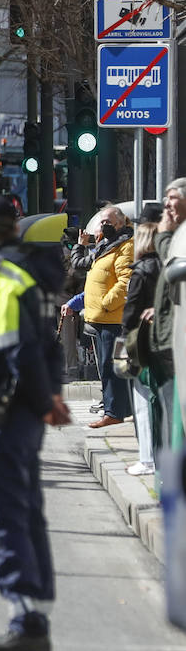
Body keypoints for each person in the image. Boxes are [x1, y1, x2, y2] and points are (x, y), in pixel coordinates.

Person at [0, 194, 71, 651]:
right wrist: (51, 398)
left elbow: (16, 349)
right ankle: (36, 612)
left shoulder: (0, 277)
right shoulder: (35, 275)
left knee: (1, 513)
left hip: (3, 407)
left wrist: (45, 398)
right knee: (27, 510)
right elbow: (47, 346)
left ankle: (24, 617)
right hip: (26, 411)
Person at [79, 204, 134, 428]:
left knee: (111, 366)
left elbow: (125, 280)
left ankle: (114, 412)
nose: (104, 225)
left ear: (121, 224)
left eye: (108, 222)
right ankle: (117, 409)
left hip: (111, 317)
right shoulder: (106, 244)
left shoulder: (125, 245)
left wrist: (106, 304)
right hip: (101, 317)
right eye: (102, 222)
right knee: (108, 366)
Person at [143, 178, 186, 454]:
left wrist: (163, 234)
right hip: (168, 339)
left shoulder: (177, 239)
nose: (167, 206)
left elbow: (174, 265)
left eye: (173, 198)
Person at [121, 211, 162, 476]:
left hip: (141, 342)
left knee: (142, 400)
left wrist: (124, 341)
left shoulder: (143, 270)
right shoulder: (164, 264)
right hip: (160, 340)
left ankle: (147, 458)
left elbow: (130, 311)